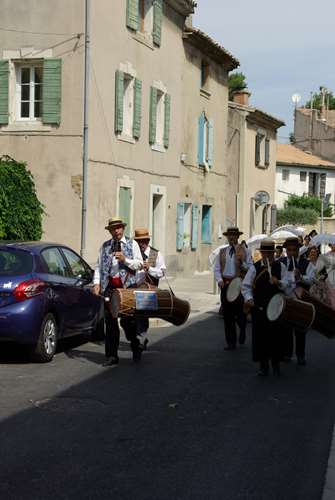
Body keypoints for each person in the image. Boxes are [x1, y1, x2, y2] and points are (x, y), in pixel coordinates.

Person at [92, 217, 143, 366]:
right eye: (114, 229)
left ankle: (135, 345)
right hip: (110, 287)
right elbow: (98, 267)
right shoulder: (105, 247)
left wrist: (125, 259)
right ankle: (112, 356)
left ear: (123, 228)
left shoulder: (132, 244)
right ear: (110, 231)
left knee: (128, 322)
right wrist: (96, 283)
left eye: (119, 227)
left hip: (127, 287)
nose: (116, 231)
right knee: (110, 322)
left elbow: (139, 264)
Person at [242, 239, 288, 376]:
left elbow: (288, 284)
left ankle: (276, 364)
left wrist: (278, 282)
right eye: (265, 253)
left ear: (273, 253)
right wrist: (249, 299)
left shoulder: (281, 267)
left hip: (276, 309)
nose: (267, 256)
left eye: (270, 253)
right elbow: (245, 286)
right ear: (261, 253)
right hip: (259, 308)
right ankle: (263, 365)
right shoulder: (254, 268)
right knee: (260, 337)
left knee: (276, 337)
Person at [214, 227, 252, 350]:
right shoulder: (222, 251)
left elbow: (250, 268)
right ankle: (231, 342)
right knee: (228, 315)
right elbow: (217, 268)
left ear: (237, 236)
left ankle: (242, 329)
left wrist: (242, 263)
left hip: (238, 284)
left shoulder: (245, 250)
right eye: (229, 235)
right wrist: (219, 280)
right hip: (226, 284)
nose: (231, 237)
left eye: (234, 235)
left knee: (240, 313)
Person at [134, 228, 166, 348]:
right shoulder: (133, 253)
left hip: (148, 289)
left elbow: (162, 272)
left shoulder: (156, 254)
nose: (141, 244)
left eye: (143, 241)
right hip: (133, 288)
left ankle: (140, 339)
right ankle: (140, 338)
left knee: (142, 315)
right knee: (131, 317)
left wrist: (150, 269)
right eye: (138, 241)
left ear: (147, 240)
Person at [280, 237, 309, 365]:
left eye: (294, 250)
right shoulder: (280, 262)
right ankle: (287, 353)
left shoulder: (306, 263)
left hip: (300, 300)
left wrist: (301, 277)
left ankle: (300, 355)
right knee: (286, 329)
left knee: (300, 329)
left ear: (298, 250)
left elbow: (312, 279)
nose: (291, 252)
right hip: (285, 299)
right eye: (289, 250)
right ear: (286, 250)